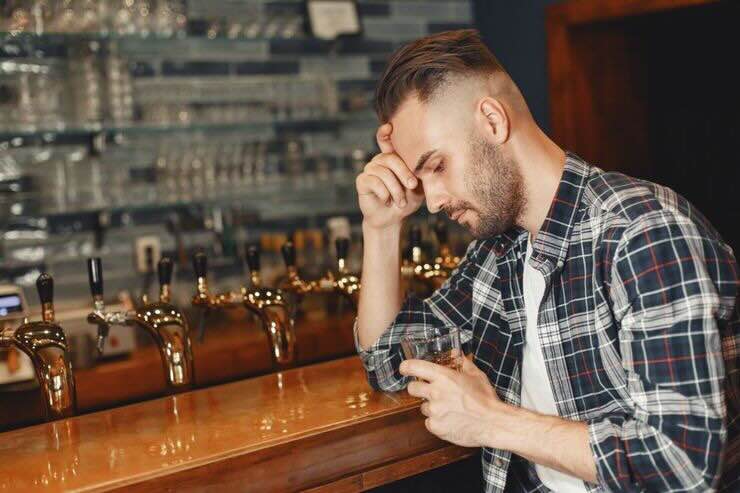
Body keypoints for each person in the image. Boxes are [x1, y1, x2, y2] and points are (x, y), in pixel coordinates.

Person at [353, 29, 738, 492]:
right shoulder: (498, 253)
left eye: (437, 166)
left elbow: (683, 463)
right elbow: (388, 359)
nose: (431, 200)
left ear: (493, 121)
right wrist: (381, 226)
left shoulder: (641, 233)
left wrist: (491, 420)